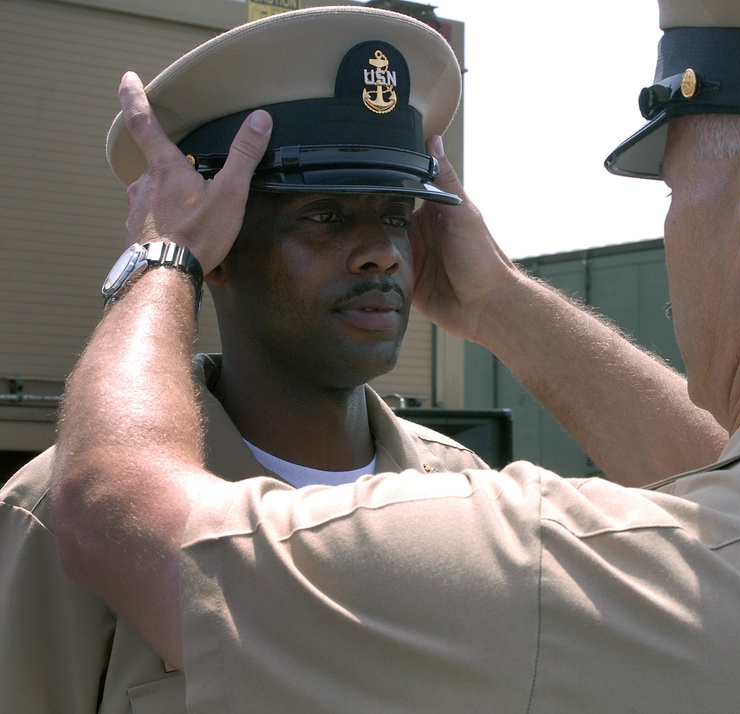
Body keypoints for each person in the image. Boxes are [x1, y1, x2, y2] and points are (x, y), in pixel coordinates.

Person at [50, 0, 740, 710]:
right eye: (329, 215)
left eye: (671, 193)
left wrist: (159, 256)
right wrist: (497, 301)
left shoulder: (532, 554)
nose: (383, 249)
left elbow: (119, 515)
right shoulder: (27, 525)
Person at [0, 7, 501, 713]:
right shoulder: (59, 517)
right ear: (219, 248)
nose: (383, 251)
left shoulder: (466, 494)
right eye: (324, 215)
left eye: (395, 214)